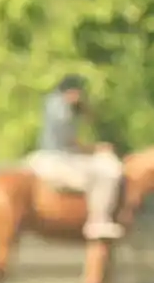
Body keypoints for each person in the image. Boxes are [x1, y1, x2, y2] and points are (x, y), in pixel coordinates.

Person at [35, 74, 124, 240]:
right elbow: (70, 142)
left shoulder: (53, 103)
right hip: (58, 160)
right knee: (107, 173)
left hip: (52, 156)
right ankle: (98, 221)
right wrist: (96, 148)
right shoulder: (61, 109)